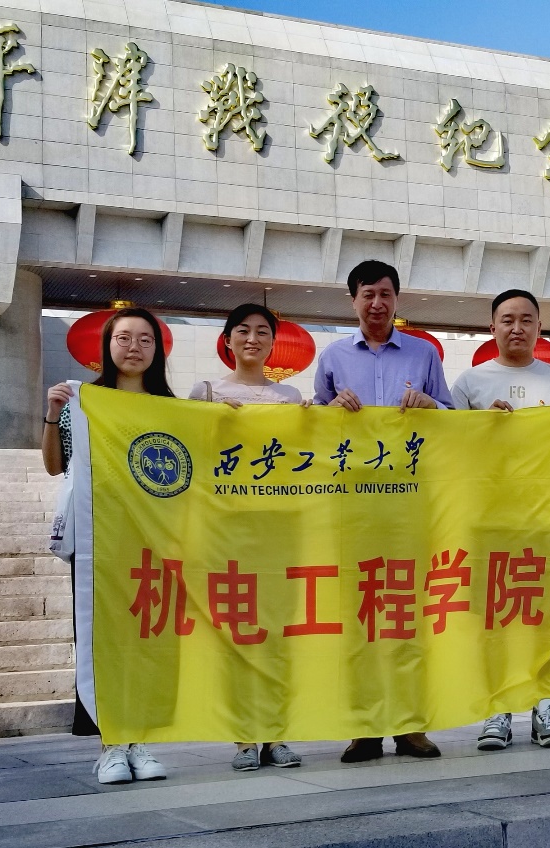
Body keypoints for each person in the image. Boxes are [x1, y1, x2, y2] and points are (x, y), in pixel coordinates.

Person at [451, 288, 550, 751]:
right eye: (507, 320)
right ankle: (496, 709)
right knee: (493, 617)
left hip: (547, 519)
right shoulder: (470, 383)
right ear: (492, 327)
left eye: (526, 320)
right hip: (490, 519)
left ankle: (546, 707)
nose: (516, 328)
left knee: (548, 617)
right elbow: (452, 451)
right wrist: (480, 425)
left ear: (540, 328)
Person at [313, 259, 454, 764]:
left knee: (408, 614)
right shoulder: (332, 356)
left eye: (386, 293)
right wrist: (329, 412)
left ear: (397, 299)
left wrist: (431, 406)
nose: (377, 303)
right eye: (368, 293)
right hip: (351, 506)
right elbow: (310, 429)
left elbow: (454, 419)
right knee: (358, 617)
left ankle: (412, 726)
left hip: (409, 505)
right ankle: (364, 728)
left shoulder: (424, 353)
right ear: (353, 300)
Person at [42, 306, 175, 786]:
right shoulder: (84, 400)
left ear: (157, 350)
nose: (134, 347)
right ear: (108, 345)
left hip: (153, 540)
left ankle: (140, 740)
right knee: (103, 639)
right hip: (97, 537)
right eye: (124, 338)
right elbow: (55, 465)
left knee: (148, 639)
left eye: (145, 339)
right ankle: (110, 745)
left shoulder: (171, 407)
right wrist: (52, 414)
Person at [191, 303, 305, 772]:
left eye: (262, 332)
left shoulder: (291, 396)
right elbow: (192, 451)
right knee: (237, 629)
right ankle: (243, 737)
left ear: (274, 342)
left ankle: (277, 733)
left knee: (279, 633)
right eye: (243, 330)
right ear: (228, 339)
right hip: (228, 529)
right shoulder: (205, 392)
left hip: (280, 527)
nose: (252, 339)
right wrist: (211, 419)